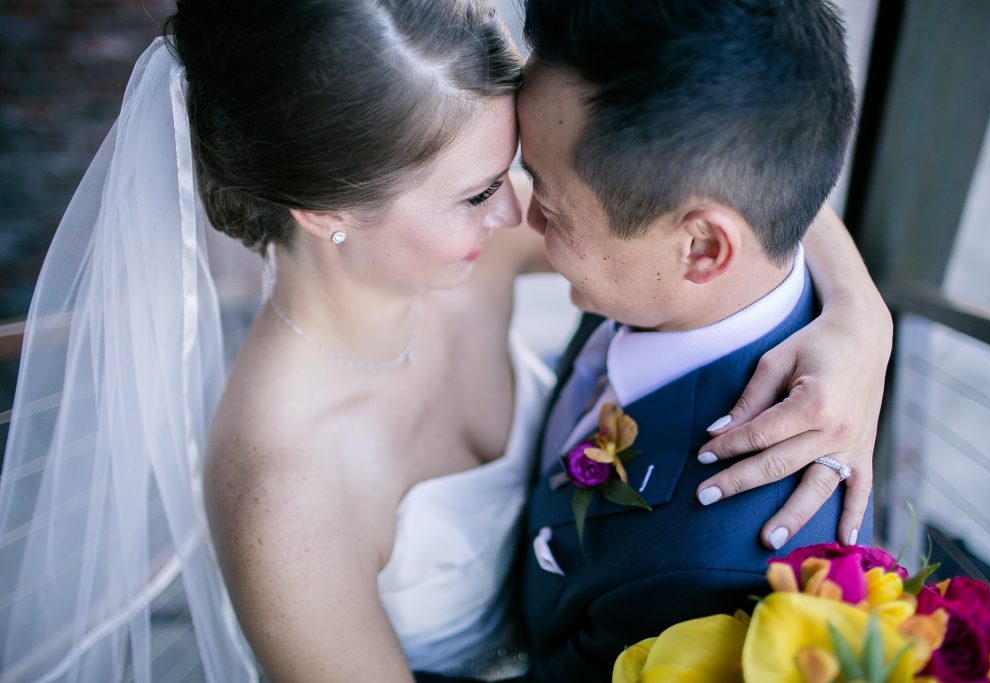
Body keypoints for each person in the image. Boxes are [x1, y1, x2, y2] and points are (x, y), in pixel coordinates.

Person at [0, 1, 889, 682]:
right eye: (476, 192)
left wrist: (858, 316)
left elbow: (742, 184)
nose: (519, 213)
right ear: (327, 211)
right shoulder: (282, 493)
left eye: (517, 170)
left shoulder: (479, 247)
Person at [513, 0, 871, 679]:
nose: (522, 216)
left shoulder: (715, 569)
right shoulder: (670, 260)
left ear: (702, 248)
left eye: (549, 203)